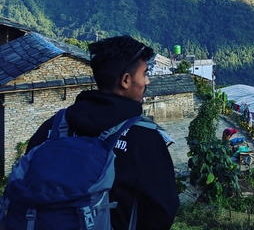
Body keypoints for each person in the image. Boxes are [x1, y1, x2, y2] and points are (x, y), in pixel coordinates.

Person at [24, 35, 179, 230]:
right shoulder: (145, 140)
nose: (147, 82)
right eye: (145, 74)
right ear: (126, 80)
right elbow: (163, 212)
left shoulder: (52, 127)